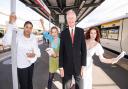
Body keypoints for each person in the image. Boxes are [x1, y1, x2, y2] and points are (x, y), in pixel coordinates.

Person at [2, 13, 41, 89]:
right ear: (24, 27)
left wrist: (34, 54)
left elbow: (37, 50)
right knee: (24, 86)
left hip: (31, 64)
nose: (28, 29)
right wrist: (11, 22)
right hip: (21, 66)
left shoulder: (33, 37)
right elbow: (5, 42)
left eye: (30, 28)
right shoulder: (18, 35)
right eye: (27, 27)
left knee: (30, 83)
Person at [59, 9, 87, 89]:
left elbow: (84, 50)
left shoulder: (81, 31)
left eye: (72, 18)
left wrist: (83, 66)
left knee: (80, 87)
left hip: (78, 66)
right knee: (66, 87)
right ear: (66, 20)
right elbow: (61, 51)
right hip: (66, 66)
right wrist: (61, 67)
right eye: (69, 18)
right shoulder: (63, 33)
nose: (70, 20)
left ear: (75, 19)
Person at [40, 19, 60, 89]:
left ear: (57, 32)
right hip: (52, 61)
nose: (54, 33)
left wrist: (56, 55)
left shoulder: (60, 41)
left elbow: (62, 52)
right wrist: (42, 24)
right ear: (51, 33)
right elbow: (45, 33)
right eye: (52, 32)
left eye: (55, 32)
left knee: (64, 77)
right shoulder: (51, 38)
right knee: (50, 78)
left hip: (59, 60)